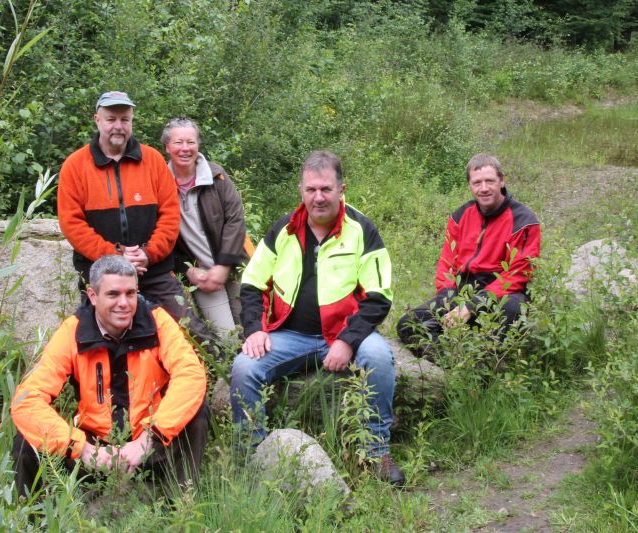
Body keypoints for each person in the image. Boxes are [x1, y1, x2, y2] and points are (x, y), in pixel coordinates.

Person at [229, 150, 405, 486]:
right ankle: (251, 459)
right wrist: (253, 330)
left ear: (342, 189)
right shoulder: (283, 229)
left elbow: (379, 296)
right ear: (301, 190)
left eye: (326, 189)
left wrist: (347, 341)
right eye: (311, 189)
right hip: (289, 335)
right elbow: (252, 284)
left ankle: (375, 453)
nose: (318, 197)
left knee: (380, 357)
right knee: (244, 367)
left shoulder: (362, 229)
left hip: (344, 331)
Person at [11, 255, 209, 497]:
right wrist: (81, 448)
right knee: (26, 440)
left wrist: (148, 439)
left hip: (149, 443)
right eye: (113, 294)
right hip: (93, 449)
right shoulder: (73, 331)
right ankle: (35, 522)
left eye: (131, 293)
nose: (124, 303)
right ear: (93, 296)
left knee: (196, 413)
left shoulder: (157, 322)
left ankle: (179, 507)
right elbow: (27, 400)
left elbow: (191, 375)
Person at [57, 91, 212, 341]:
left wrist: (147, 253)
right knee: (97, 341)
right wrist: (116, 256)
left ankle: (218, 377)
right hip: (101, 275)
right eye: (111, 119)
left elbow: (170, 216)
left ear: (131, 121)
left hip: (154, 271)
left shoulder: (152, 160)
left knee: (191, 333)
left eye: (125, 119)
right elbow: (72, 224)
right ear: (97, 120)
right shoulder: (75, 166)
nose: (118, 126)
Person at [397, 154, 540, 358]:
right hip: (462, 290)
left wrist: (471, 307)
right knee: (408, 324)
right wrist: (448, 298)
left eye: (490, 181)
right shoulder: (460, 216)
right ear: (470, 185)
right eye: (477, 182)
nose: (484, 188)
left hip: (503, 294)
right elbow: (447, 264)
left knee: (510, 308)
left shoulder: (523, 219)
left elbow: (518, 275)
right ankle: (452, 366)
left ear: (502, 180)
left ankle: (487, 370)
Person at [161, 117, 250, 337]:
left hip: (234, 266)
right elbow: (161, 236)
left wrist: (224, 265)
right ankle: (227, 372)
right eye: (178, 143)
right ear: (167, 147)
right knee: (227, 337)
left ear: (198, 145)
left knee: (249, 328)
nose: (185, 149)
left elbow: (235, 219)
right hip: (200, 275)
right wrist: (187, 270)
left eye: (190, 142)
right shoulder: (159, 183)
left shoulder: (216, 176)